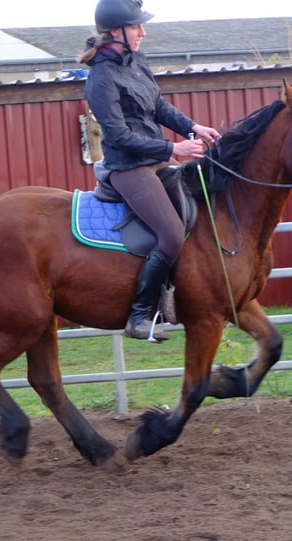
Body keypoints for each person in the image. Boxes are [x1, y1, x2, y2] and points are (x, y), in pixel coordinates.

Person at [78, 0, 221, 342]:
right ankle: (140, 313)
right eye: (136, 26)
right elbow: (119, 137)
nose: (143, 31)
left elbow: (157, 106)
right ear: (116, 32)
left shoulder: (136, 62)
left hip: (156, 159)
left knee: (198, 210)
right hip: (128, 167)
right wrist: (174, 149)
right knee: (171, 233)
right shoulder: (101, 78)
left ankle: (185, 294)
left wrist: (192, 128)